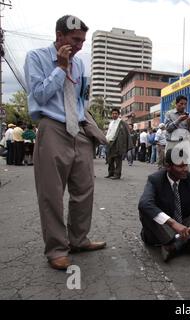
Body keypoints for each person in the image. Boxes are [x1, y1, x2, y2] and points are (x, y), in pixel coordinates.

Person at [24, 15, 106, 270]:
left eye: (83, 40)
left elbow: (80, 98)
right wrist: (60, 68)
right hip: (52, 127)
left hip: (78, 130)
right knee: (51, 194)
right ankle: (57, 249)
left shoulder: (80, 64)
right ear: (59, 36)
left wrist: (86, 124)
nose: (80, 45)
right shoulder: (36, 58)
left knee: (84, 190)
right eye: (75, 39)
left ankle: (78, 240)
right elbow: (38, 95)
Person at [138, 148, 190, 262]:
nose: (185, 169)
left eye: (186, 165)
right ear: (168, 166)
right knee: (147, 211)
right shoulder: (155, 180)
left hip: (187, 224)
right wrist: (173, 223)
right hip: (164, 229)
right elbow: (144, 203)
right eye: (181, 166)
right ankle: (187, 243)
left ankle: (176, 246)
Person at [105, 108, 132, 180]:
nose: (114, 115)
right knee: (110, 159)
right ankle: (111, 173)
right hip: (110, 143)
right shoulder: (111, 123)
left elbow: (127, 134)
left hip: (118, 143)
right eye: (113, 113)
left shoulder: (122, 123)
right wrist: (106, 140)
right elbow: (109, 133)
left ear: (118, 114)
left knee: (118, 160)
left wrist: (125, 145)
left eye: (116, 113)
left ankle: (117, 175)